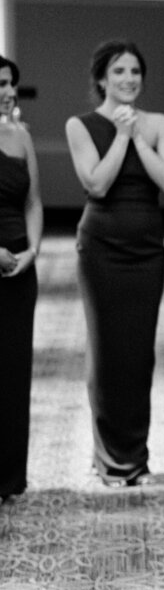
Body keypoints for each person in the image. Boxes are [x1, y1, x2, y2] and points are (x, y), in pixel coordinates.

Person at [66, 41, 164, 487]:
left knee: (139, 355)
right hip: (101, 248)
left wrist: (138, 137)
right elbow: (96, 183)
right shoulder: (81, 125)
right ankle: (109, 459)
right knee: (108, 352)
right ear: (101, 79)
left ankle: (136, 457)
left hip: (148, 249)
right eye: (119, 72)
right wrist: (120, 135)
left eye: (135, 71)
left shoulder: (159, 123)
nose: (129, 79)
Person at [0, 55, 42, 501]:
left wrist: (33, 250)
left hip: (19, 271)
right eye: (0, 83)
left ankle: (9, 476)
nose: (9, 91)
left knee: (13, 373)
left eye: (11, 82)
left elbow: (33, 201)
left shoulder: (20, 136)